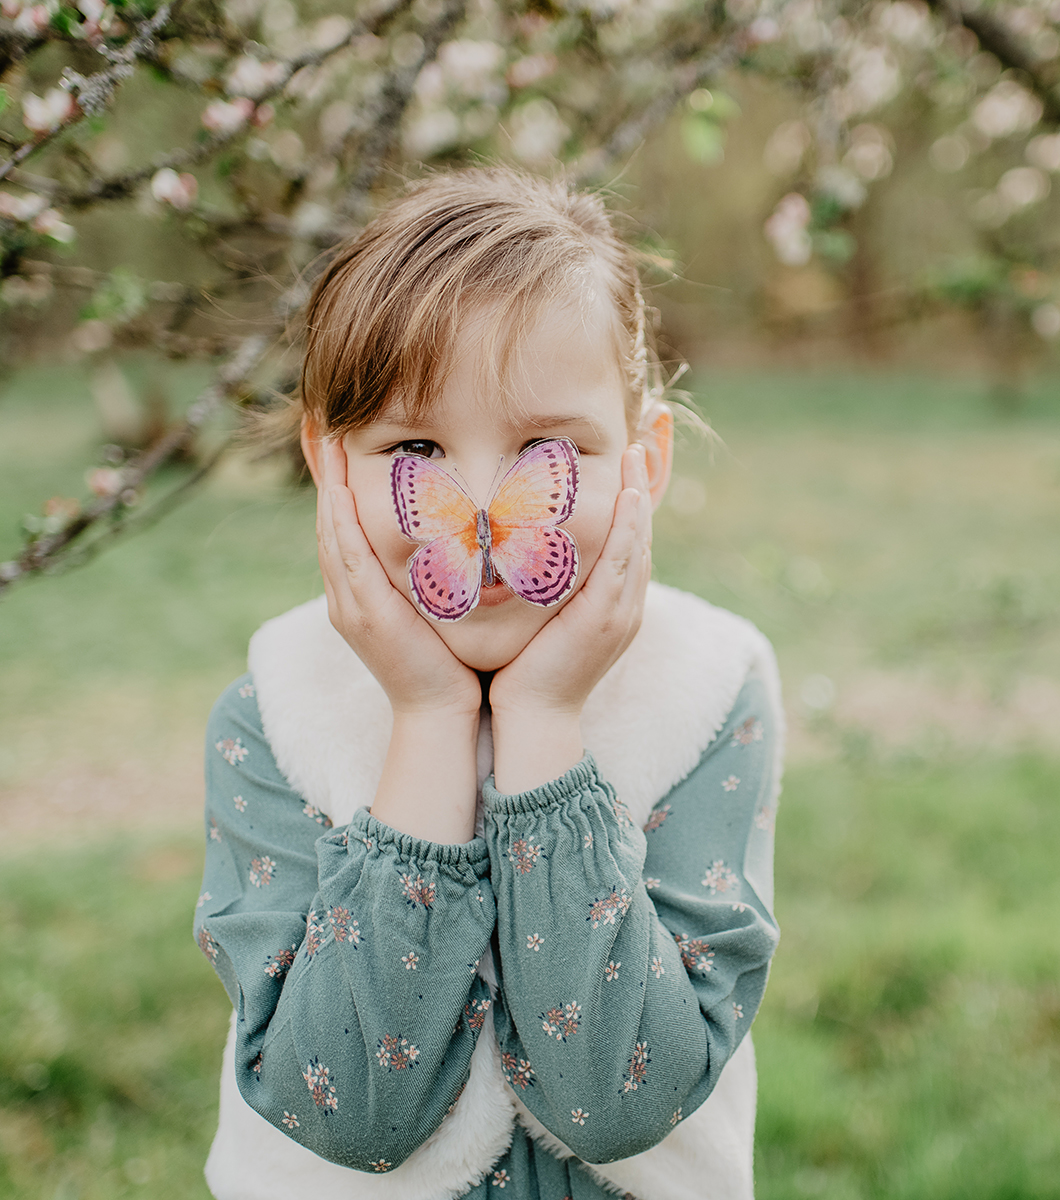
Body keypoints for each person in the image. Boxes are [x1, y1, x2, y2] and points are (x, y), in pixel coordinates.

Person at [192, 168, 781, 1200]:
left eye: (548, 450)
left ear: (645, 462)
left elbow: (616, 1103)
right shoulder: (277, 710)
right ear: (329, 467)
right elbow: (347, 1116)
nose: (474, 512)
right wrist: (427, 718)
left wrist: (544, 720)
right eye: (416, 448)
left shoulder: (708, 691)